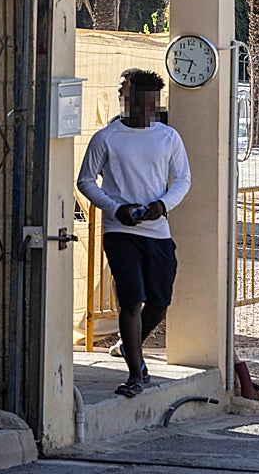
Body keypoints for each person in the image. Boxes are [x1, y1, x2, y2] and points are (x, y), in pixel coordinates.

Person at [77, 69, 191, 398]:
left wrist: (162, 205)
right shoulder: (107, 137)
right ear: (128, 100)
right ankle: (135, 374)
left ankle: (131, 348)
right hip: (120, 230)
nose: (146, 109)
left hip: (157, 230)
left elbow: (183, 179)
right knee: (131, 300)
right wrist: (116, 209)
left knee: (159, 302)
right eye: (138, 101)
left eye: (151, 103)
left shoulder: (168, 137)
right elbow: (85, 180)